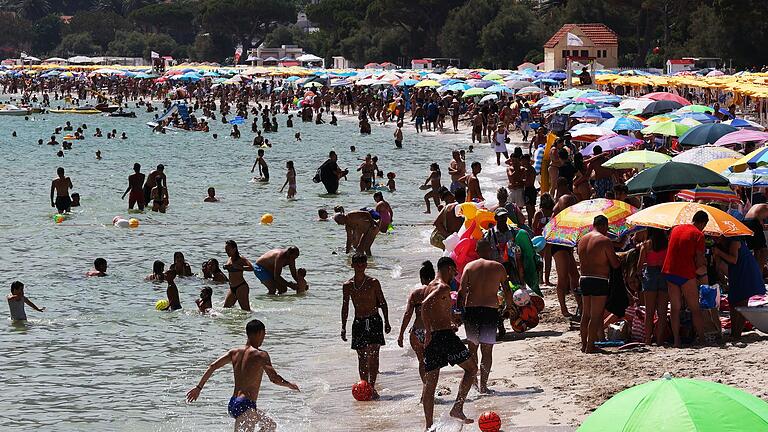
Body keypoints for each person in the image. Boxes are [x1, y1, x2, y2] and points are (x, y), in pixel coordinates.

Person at [186, 319, 300, 432]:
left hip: (234, 403)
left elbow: (212, 366)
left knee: (270, 425)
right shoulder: (261, 355)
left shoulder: (234, 352)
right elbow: (274, 378)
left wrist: (198, 388)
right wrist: (289, 385)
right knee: (269, 426)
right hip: (246, 405)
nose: (264, 338)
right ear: (259, 333)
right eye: (264, 334)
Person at [421, 257, 476, 429]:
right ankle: (457, 407)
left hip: (438, 335)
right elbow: (424, 305)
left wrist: (451, 320)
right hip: (443, 337)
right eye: (454, 271)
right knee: (472, 369)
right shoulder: (442, 286)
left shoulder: (430, 285)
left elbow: (434, 308)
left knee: (430, 383)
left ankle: (429, 426)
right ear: (449, 268)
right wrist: (428, 330)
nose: (455, 275)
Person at [459, 239, 507, 393]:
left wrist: (459, 311)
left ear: (477, 251)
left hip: (472, 310)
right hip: (490, 311)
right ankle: (484, 386)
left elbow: (461, 292)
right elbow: (507, 290)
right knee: (487, 351)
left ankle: (472, 383)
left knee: (472, 349)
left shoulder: (469, 267)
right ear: (490, 250)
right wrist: (508, 306)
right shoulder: (498, 267)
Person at [341, 253, 391, 400]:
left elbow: (382, 302)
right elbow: (345, 307)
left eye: (363, 263)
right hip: (359, 322)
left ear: (366, 265)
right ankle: (365, 385)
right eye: (357, 263)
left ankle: (372, 386)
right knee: (361, 357)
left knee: (374, 355)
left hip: (374, 320)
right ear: (352, 265)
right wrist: (343, 326)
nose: (360, 266)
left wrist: (387, 321)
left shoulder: (373, 282)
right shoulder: (348, 285)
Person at [663, 210, 709, 347]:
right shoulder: (698, 234)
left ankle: (676, 340)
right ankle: (702, 339)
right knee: (695, 308)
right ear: (703, 223)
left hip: (670, 270)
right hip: (686, 272)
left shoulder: (676, 229)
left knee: (675, 308)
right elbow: (699, 259)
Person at [577, 215, 620, 353]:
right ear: (603, 226)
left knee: (585, 314)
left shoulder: (582, 240)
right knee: (596, 315)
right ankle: (590, 346)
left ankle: (584, 345)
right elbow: (614, 264)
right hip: (599, 280)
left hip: (584, 279)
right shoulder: (604, 240)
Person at [712, 236, 766, 340]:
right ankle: (734, 332)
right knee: (733, 301)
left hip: (746, 271)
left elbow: (733, 259)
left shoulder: (734, 241)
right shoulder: (719, 245)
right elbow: (719, 266)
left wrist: (719, 253)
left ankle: (737, 334)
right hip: (736, 272)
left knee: (742, 302)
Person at [397, 261, 434, 383]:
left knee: (421, 362)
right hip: (432, 332)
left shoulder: (415, 294)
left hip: (417, 331)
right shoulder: (438, 292)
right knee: (432, 362)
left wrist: (401, 334)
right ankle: (430, 389)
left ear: (421, 278)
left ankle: (425, 387)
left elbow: (407, 315)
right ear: (433, 277)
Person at [636, 228, 669, 345]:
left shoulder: (646, 245)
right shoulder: (667, 244)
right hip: (664, 274)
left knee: (649, 311)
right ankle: (660, 340)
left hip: (650, 274)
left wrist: (640, 276)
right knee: (662, 312)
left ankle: (648, 340)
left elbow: (639, 266)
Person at [742, 203, 768, 274]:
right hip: (753, 222)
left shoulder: (758, 206)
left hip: (746, 222)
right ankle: (759, 273)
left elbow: (761, 225)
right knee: (764, 250)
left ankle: (754, 272)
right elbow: (757, 223)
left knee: (757, 250)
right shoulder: (766, 207)